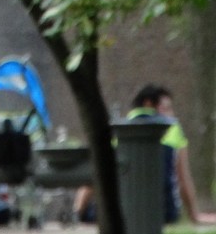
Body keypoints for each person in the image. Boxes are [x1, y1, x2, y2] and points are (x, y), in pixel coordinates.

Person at [74, 84, 216, 225]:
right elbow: (183, 179)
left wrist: (79, 211)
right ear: (148, 104)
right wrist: (194, 215)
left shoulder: (118, 130)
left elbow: (97, 174)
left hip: (124, 212)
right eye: (167, 108)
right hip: (166, 213)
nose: (171, 114)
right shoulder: (173, 129)